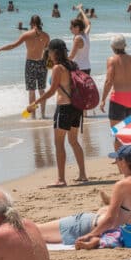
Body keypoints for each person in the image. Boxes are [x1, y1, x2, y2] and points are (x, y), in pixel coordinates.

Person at [54, 145, 131, 250]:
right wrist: (128, 226)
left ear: (122, 161)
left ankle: (96, 239)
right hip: (111, 231)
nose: (116, 163)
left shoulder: (122, 185)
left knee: (39, 230)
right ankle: (99, 239)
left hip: (91, 224)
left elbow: (110, 219)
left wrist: (91, 235)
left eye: (116, 159)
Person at [27, 39, 87, 187]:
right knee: (73, 141)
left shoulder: (58, 68)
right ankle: (83, 174)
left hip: (64, 107)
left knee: (59, 143)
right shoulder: (73, 64)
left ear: (54, 52)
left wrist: (35, 103)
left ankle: (61, 179)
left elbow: (52, 91)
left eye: (49, 51)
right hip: (76, 107)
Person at [0, 15, 51, 119]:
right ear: (40, 23)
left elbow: (13, 45)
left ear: (31, 23)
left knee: (32, 91)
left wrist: (0, 49)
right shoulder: (46, 36)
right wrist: (50, 65)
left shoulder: (26, 35)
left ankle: (33, 116)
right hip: (42, 64)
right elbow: (48, 52)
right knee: (42, 90)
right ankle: (43, 115)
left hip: (30, 64)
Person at [98, 35, 131, 148]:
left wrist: (103, 99)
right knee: (127, 130)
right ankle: (128, 156)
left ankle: (120, 158)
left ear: (112, 47)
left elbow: (109, 81)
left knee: (117, 133)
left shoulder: (112, 60)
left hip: (118, 97)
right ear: (125, 45)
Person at [68, 6, 92, 74]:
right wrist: (81, 10)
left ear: (77, 27)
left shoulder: (78, 38)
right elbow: (89, 24)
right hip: (87, 68)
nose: (70, 29)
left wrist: (58, 61)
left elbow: (71, 56)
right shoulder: (85, 35)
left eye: (71, 27)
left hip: (79, 69)